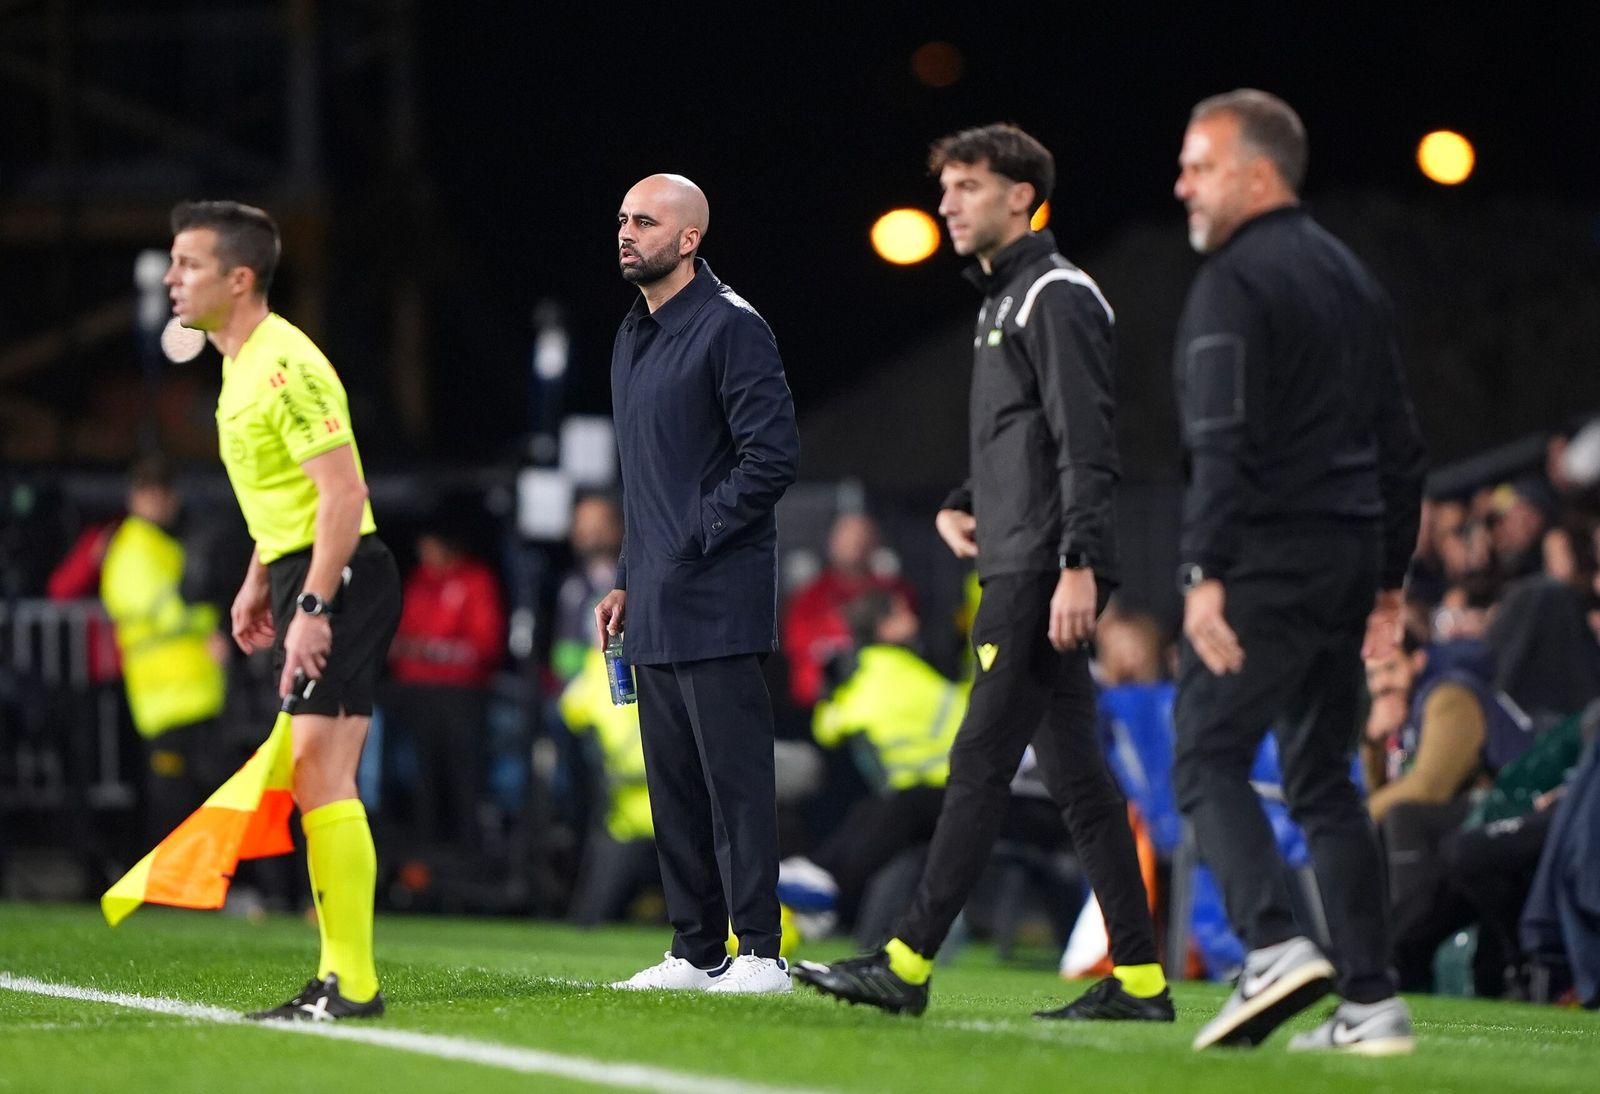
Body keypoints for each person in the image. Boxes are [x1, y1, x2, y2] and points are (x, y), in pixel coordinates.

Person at [796, 123, 1170, 1022]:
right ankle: (1142, 982)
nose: (947, 205)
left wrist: (1079, 564)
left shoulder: (1054, 294)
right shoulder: (1005, 300)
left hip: (1040, 570)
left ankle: (906, 962)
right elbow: (1024, 437)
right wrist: (966, 497)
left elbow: (1087, 445)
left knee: (976, 765)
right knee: (1080, 785)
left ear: (1020, 194)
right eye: (945, 188)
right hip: (1021, 559)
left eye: (967, 186)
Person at [1167, 90, 1427, 1054]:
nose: (1183, 185)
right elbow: (1403, 448)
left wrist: (1203, 569)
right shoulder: (1352, 277)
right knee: (1323, 782)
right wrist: (1389, 582)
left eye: (1200, 165)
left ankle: (1272, 945)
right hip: (1349, 560)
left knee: (1205, 753)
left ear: (1257, 172)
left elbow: (1221, 442)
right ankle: (1372, 1001)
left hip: (1268, 559)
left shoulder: (1235, 280)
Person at [165, 200, 401, 1021]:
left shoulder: (282, 364)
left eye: (188, 264)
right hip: (312, 567)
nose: (171, 278)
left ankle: (351, 984)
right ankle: (345, 980)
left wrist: (313, 603)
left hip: (341, 573)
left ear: (239, 278)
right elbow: (292, 500)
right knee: (315, 777)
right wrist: (258, 576)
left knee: (321, 775)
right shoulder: (240, 364)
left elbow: (344, 495)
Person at [596, 173, 799, 994]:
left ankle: (761, 952)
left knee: (735, 787)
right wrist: (627, 575)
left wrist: (688, 540)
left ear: (689, 240)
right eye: (622, 219)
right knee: (673, 790)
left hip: (717, 599)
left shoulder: (732, 325)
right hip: (653, 600)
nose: (626, 232)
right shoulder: (632, 334)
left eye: (645, 222)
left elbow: (772, 458)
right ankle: (696, 949)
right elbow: (645, 479)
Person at [99, 455, 227, 842]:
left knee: (198, 802)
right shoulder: (134, 546)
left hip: (191, 695)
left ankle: (200, 877)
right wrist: (214, 621)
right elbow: (167, 611)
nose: (162, 502)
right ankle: (169, 879)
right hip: (165, 696)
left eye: (165, 493)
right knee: (174, 807)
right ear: (135, 497)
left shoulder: (160, 544)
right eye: (152, 493)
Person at [383, 522, 505, 853]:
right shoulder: (419, 581)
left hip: (463, 694)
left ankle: (468, 852)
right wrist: (424, 652)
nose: (427, 556)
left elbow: (486, 646)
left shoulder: (476, 580)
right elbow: (399, 644)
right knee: (422, 774)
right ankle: (424, 852)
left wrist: (429, 651)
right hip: (418, 694)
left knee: (465, 773)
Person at [781, 511, 917, 707]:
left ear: (875, 543)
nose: (854, 545)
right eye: (847, 538)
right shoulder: (810, 596)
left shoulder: (891, 591)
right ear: (832, 543)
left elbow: (907, 631)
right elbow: (798, 647)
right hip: (820, 701)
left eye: (862, 538)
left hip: (879, 698)